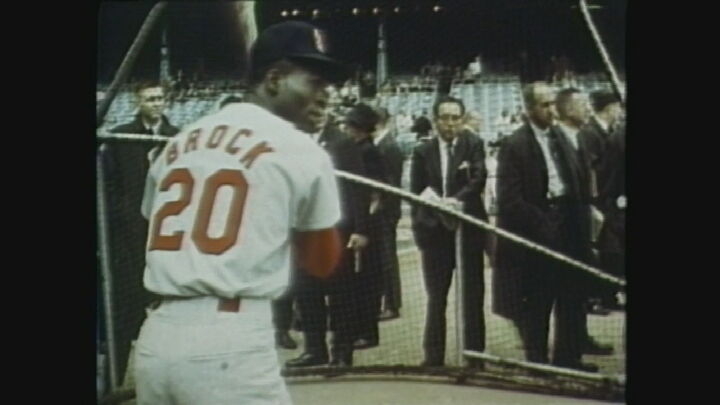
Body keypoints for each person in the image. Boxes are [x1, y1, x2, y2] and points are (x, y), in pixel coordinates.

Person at [133, 21, 348, 405]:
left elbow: (153, 223)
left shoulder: (179, 141)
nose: (327, 95)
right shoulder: (301, 149)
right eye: (315, 82)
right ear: (275, 78)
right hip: (230, 339)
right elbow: (322, 262)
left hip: (156, 335)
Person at [494, 82, 598, 372]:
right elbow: (509, 200)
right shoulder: (514, 145)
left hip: (568, 223)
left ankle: (568, 358)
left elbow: (575, 181)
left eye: (553, 103)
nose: (552, 110)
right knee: (539, 301)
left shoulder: (560, 138)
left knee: (571, 295)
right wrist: (544, 224)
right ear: (529, 109)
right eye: (545, 105)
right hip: (537, 229)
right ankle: (538, 363)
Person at [285, 104, 371, 368]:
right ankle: (315, 349)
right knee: (306, 292)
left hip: (336, 229)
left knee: (340, 294)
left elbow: (359, 187)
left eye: (319, 110)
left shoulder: (342, 142)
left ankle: (342, 352)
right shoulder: (293, 140)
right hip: (303, 230)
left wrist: (360, 229)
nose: (314, 113)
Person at [410, 95, 487, 368]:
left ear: (462, 120)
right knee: (436, 297)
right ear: (435, 121)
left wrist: (457, 201)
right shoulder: (423, 151)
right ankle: (433, 357)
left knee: (472, 297)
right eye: (445, 117)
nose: (450, 123)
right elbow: (415, 191)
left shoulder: (473, 143)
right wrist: (431, 215)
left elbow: (478, 178)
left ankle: (475, 355)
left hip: (467, 232)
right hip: (435, 235)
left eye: (456, 118)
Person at [343, 104, 386, 352]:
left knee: (367, 281)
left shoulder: (368, 152)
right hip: (360, 221)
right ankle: (360, 328)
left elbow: (375, 192)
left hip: (366, 225)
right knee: (361, 281)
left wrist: (364, 225)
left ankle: (367, 331)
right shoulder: (360, 149)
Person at [372, 107, 405, 320]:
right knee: (381, 258)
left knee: (387, 258)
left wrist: (381, 206)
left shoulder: (389, 147)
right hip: (382, 210)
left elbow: (391, 183)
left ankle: (392, 304)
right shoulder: (381, 145)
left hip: (386, 211)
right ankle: (386, 300)